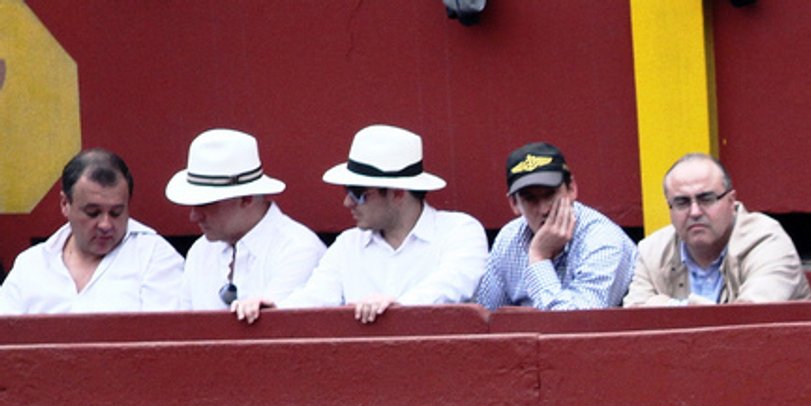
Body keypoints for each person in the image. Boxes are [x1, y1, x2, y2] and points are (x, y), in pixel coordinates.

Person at [237, 125, 486, 325]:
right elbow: (316, 295)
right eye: (348, 190)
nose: (347, 202)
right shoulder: (348, 244)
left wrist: (398, 306)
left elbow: (452, 284)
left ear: (398, 193)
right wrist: (274, 308)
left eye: (358, 192)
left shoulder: (460, 231)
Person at [0, 149, 183, 315]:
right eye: (93, 213)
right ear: (65, 204)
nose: (105, 224)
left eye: (116, 213)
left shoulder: (155, 257)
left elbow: (165, 339)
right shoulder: (31, 264)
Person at [167, 129, 325, 312]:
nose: (194, 216)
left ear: (247, 198)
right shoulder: (200, 251)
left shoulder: (298, 249)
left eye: (207, 203)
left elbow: (273, 332)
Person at [624, 153, 810, 305]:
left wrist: (669, 306)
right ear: (670, 209)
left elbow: (752, 319)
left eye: (707, 199)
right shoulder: (651, 251)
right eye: (682, 202)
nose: (695, 212)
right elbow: (635, 317)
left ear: (731, 201)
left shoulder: (767, 240)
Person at [476, 142, 634, 310]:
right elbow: (486, 317)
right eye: (530, 199)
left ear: (571, 188)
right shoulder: (508, 238)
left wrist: (539, 258)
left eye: (550, 194)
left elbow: (577, 325)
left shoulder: (602, 238)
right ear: (514, 204)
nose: (544, 209)